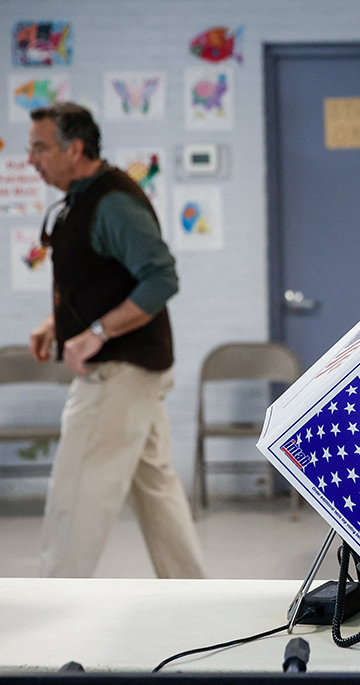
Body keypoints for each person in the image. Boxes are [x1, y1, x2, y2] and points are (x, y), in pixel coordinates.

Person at [27, 102, 205, 579]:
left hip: (117, 372)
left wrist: (95, 335)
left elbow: (160, 279)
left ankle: (54, 614)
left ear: (75, 148)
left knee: (77, 492)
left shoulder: (113, 203)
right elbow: (100, 280)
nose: (31, 159)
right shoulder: (81, 199)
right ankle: (192, 597)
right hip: (135, 370)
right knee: (156, 488)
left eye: (40, 147)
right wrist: (55, 322)